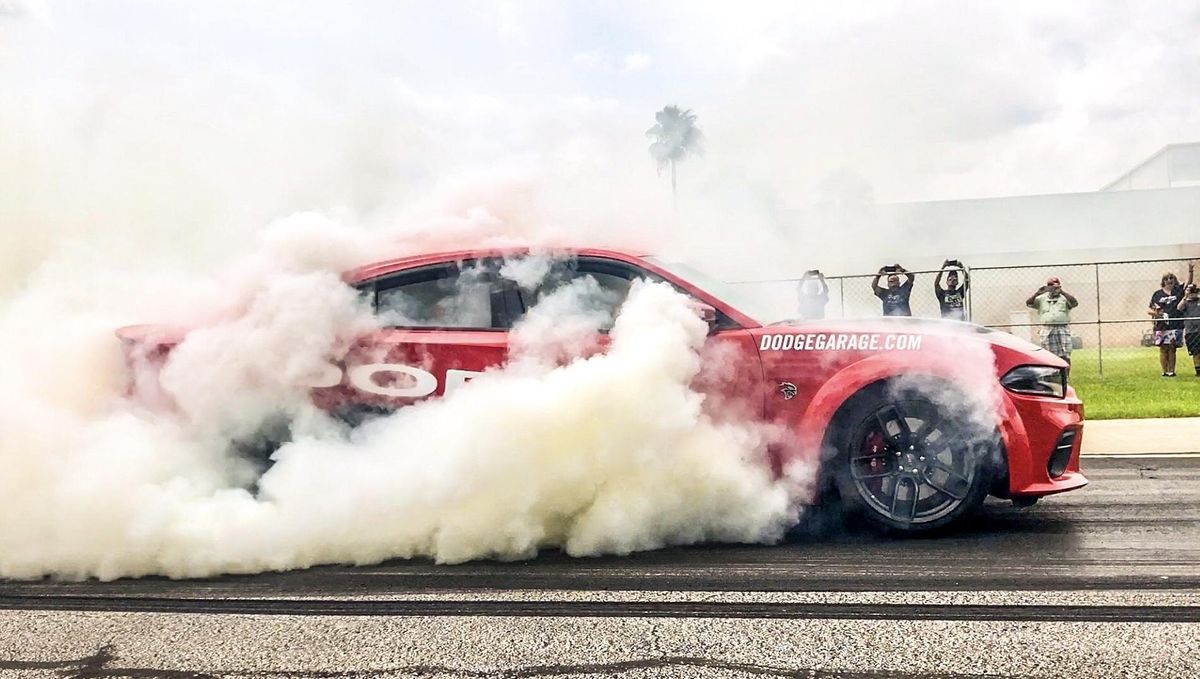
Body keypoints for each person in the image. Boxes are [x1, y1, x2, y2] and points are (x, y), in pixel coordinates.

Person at [1149, 263, 1194, 377]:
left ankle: (1171, 371)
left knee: (1173, 348)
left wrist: (1190, 271)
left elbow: (1188, 283)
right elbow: (1150, 309)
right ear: (1163, 281)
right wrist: (1158, 314)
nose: (1170, 280)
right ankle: (1164, 371)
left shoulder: (1178, 291)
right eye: (1167, 278)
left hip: (1176, 324)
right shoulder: (1157, 294)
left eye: (1172, 278)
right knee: (1163, 348)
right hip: (1161, 325)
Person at [1026, 276, 1079, 370]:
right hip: (1047, 329)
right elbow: (1029, 303)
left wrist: (1061, 291)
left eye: (1055, 286)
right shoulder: (1041, 298)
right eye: (1050, 286)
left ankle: (1065, 377)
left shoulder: (1064, 298)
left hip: (1062, 328)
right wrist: (1037, 293)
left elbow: (1074, 303)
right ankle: (1050, 376)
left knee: (1065, 354)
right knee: (1048, 354)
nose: (1053, 288)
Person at [1176, 278, 1200, 377]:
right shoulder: (1185, 302)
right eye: (1191, 292)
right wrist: (1185, 297)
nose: (1193, 294)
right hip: (1191, 332)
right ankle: (1198, 371)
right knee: (1196, 352)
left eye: (1195, 291)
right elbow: (1179, 308)